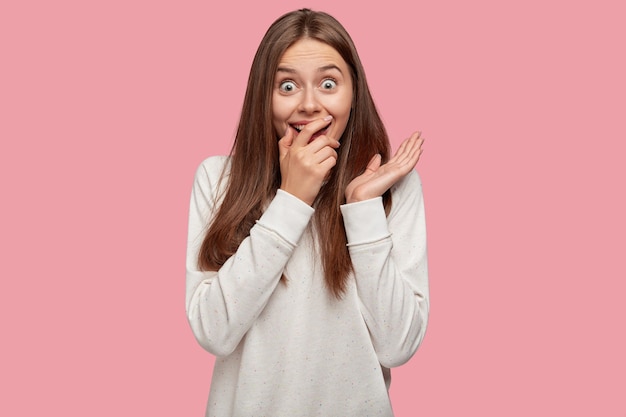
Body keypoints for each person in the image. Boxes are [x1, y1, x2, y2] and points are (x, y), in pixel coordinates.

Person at [185, 8, 429, 416]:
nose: (309, 105)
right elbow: (213, 332)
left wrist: (364, 208)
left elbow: (397, 344)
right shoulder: (217, 179)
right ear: (263, 96)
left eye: (329, 83)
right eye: (287, 86)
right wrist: (292, 199)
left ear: (355, 94)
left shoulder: (391, 189)